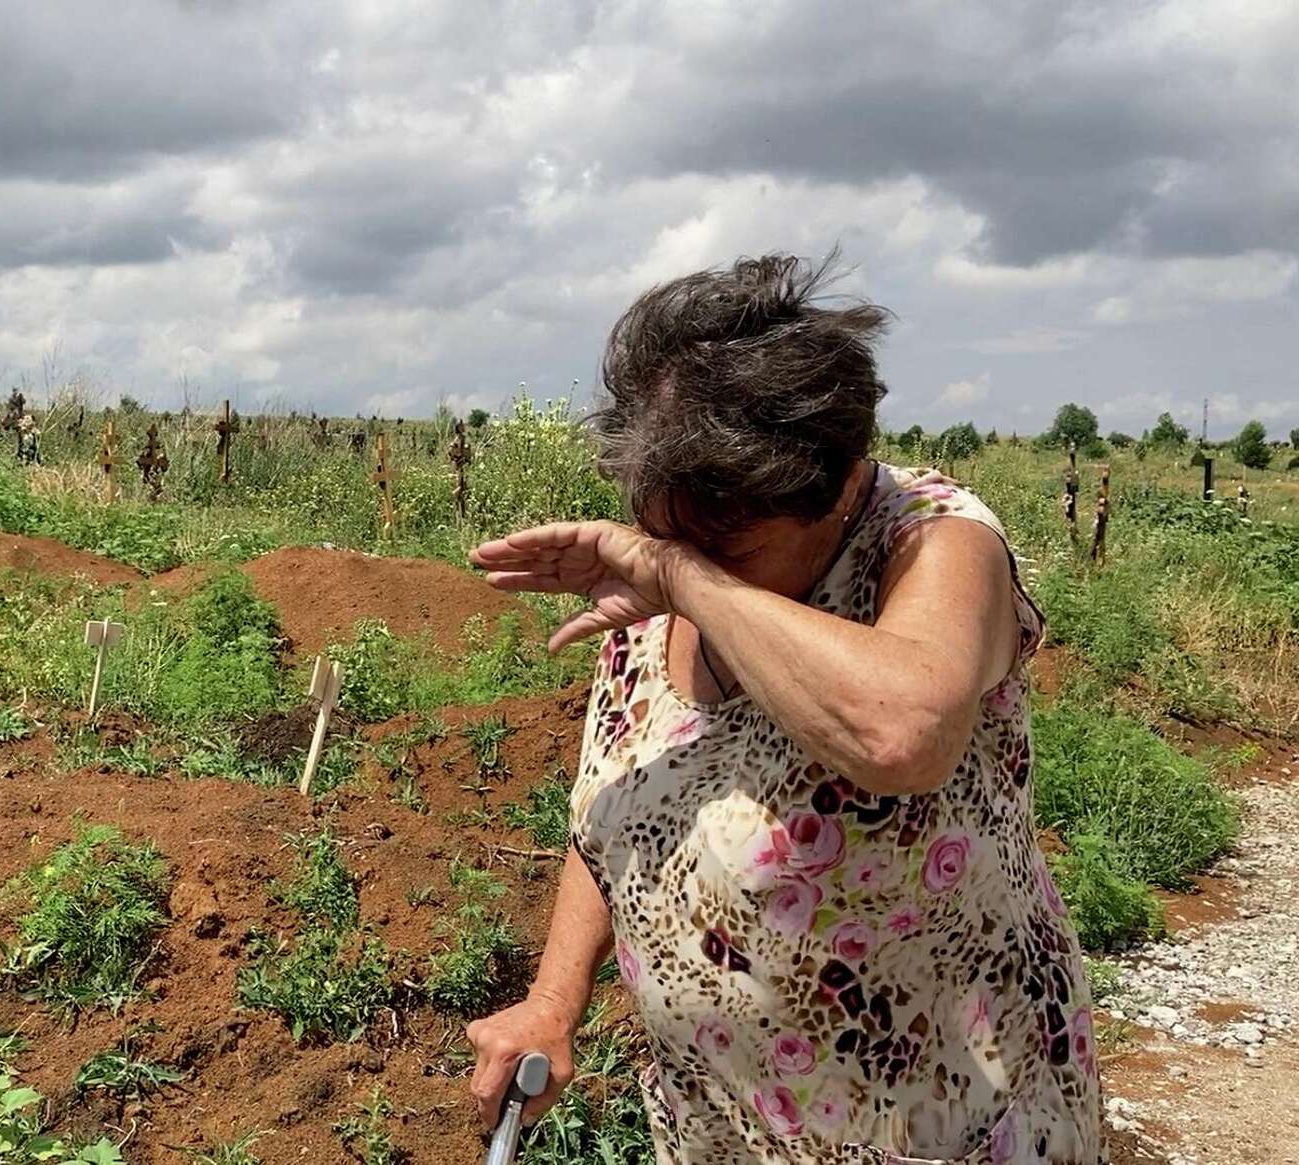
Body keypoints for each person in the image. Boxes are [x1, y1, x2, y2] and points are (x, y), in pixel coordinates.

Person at [466, 255, 1100, 1165]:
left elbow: (901, 732)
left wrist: (685, 576)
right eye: (661, 528)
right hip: (723, 1124)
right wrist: (554, 999)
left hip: (936, 1122)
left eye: (729, 547)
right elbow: (615, 807)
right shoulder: (662, 565)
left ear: (840, 486)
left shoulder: (930, 539)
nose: (670, 559)